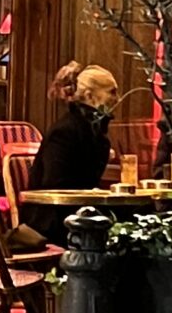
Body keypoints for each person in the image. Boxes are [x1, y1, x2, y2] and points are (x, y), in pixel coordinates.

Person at [23, 65, 121, 237]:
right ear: (90, 96)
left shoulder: (94, 131)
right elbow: (55, 185)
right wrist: (94, 194)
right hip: (53, 222)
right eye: (112, 92)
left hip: (80, 214)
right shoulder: (65, 132)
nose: (118, 99)